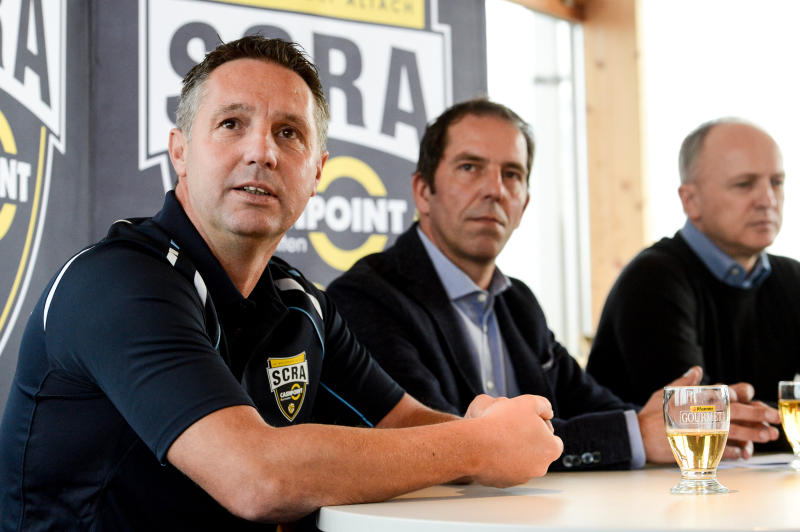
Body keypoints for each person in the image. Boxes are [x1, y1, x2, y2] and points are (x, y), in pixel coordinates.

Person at [0, 37, 565, 532]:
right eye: (231, 124)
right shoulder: (117, 281)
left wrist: (485, 429)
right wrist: (477, 445)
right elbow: (256, 476)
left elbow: (406, 423)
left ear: (317, 171)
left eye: (288, 133)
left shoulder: (300, 302)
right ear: (180, 152)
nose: (262, 152)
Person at [327, 100, 780, 472]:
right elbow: (438, 441)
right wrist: (635, 435)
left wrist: (658, 421)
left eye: (512, 174)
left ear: (524, 203)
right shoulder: (368, 297)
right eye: (470, 167)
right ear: (423, 191)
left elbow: (593, 405)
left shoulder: (518, 302)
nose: (494, 190)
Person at [586, 118, 793, 449]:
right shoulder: (652, 280)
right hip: (649, 480)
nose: (767, 199)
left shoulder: (792, 278)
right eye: (744, 184)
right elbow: (698, 418)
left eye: (777, 182)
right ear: (690, 201)